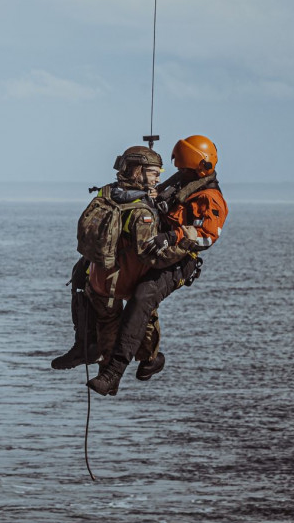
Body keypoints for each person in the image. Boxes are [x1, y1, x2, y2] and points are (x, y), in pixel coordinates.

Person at [87, 134, 229, 396]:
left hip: (181, 259)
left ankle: (114, 372)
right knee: (88, 273)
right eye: (180, 168)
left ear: (200, 167)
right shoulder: (180, 183)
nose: (181, 172)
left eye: (185, 168)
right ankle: (100, 349)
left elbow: (208, 236)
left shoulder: (209, 197)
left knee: (143, 296)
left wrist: (172, 236)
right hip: (156, 248)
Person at [51, 146, 166, 388]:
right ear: (137, 171)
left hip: (99, 278)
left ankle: (99, 365)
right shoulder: (141, 210)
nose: (158, 177)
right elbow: (150, 254)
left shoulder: (105, 196)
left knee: (106, 322)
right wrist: (182, 248)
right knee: (143, 316)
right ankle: (149, 360)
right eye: (154, 172)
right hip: (130, 279)